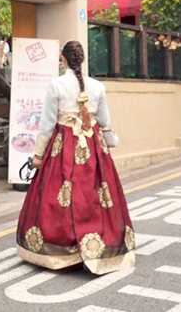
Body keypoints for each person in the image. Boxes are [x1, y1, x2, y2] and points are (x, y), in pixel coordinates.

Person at [15, 40, 135, 275]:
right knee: (94, 193)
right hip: (93, 145)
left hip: (64, 145)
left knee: (60, 194)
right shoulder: (98, 87)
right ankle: (99, 242)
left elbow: (47, 125)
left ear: (64, 60)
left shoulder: (56, 85)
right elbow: (104, 119)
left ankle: (62, 248)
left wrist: (38, 155)